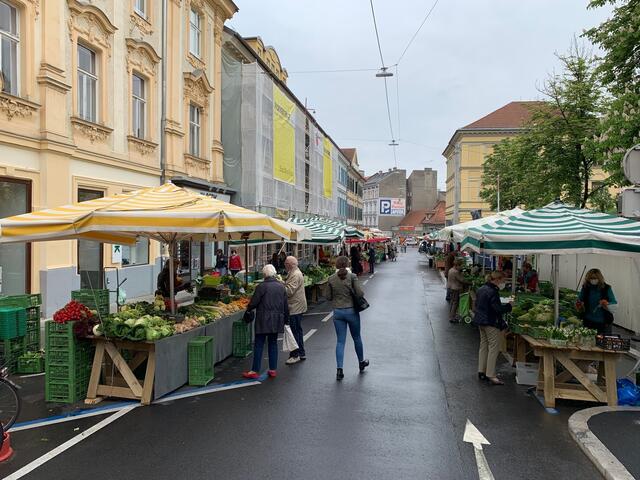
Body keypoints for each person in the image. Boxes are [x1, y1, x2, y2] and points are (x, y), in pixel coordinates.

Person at [242, 264, 289, 379]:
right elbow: (285, 306)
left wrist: (248, 310)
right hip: (277, 319)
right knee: (273, 344)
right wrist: (286, 320)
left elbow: (253, 303)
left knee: (259, 344)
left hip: (263, 319)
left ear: (264, 274)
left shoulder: (261, 287)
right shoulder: (281, 286)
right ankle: (273, 369)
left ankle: (254, 370)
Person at [327, 256, 369, 380]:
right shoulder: (352, 277)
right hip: (351, 311)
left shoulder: (331, 278)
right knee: (356, 338)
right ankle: (361, 362)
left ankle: (339, 370)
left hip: (338, 312)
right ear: (347, 264)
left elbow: (328, 296)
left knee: (340, 341)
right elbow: (360, 293)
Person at [474, 271, 512, 385]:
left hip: (481, 321)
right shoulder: (493, 292)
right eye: (503, 280)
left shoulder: (481, 289)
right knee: (493, 348)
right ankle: (490, 374)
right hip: (491, 322)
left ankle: (481, 371)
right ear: (497, 279)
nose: (503, 283)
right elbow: (498, 309)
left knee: (483, 347)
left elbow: (477, 305)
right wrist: (509, 306)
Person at [577, 268, 617, 335]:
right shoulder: (585, 288)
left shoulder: (606, 288)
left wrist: (607, 303)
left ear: (599, 278)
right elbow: (579, 300)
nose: (593, 280)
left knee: (602, 343)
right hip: (588, 321)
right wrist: (579, 304)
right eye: (591, 278)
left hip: (604, 322)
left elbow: (614, 303)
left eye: (595, 278)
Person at [284, 256, 307, 364]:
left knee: (294, 331)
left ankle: (295, 354)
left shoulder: (295, 274)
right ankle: (301, 352)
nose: (285, 265)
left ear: (290, 264)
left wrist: (280, 285)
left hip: (295, 306)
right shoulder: (295, 272)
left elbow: (289, 291)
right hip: (297, 305)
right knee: (297, 330)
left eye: (286, 263)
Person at [447, 259, 467, 323]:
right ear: (457, 265)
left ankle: (451, 316)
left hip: (450, 287)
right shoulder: (456, 272)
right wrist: (470, 282)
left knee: (452, 302)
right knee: (455, 303)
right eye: (460, 265)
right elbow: (462, 280)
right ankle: (452, 317)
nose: (461, 267)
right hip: (455, 288)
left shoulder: (451, 270)